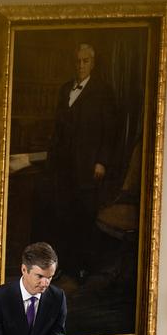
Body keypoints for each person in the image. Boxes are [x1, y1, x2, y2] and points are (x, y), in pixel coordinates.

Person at [47, 43, 117, 282]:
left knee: (84, 218)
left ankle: (84, 268)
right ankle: (66, 265)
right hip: (63, 166)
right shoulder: (65, 89)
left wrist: (102, 161)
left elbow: (110, 131)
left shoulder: (103, 91)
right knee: (63, 216)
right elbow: (58, 129)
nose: (80, 65)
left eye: (85, 61)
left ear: (92, 63)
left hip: (88, 167)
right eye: (77, 61)